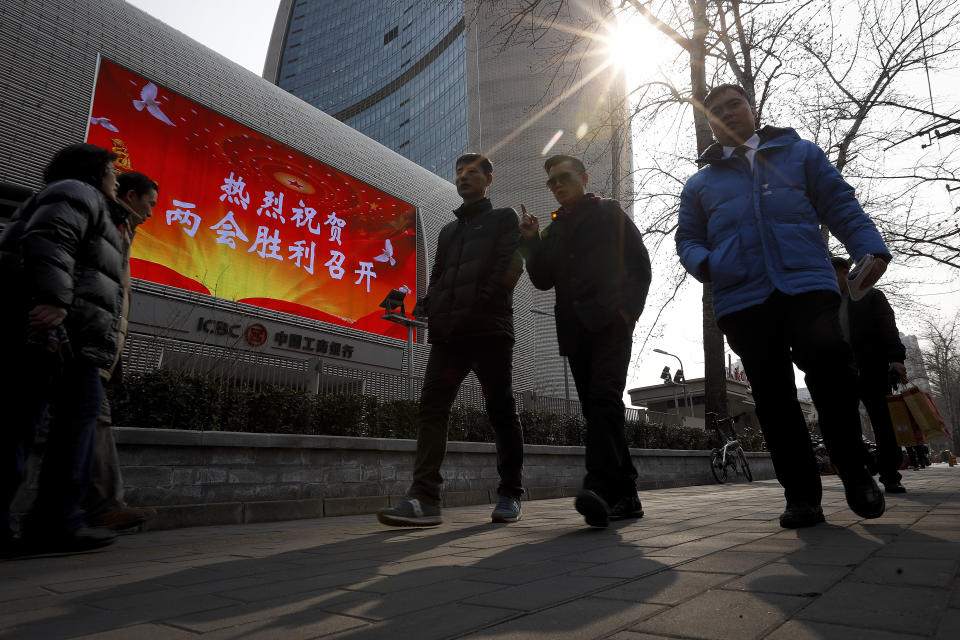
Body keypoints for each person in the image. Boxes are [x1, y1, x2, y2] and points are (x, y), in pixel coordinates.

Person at [676, 84, 891, 529]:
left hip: (806, 283)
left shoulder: (800, 155)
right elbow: (688, 239)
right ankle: (802, 498)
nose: (726, 113)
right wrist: (709, 263)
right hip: (743, 298)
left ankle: (855, 474)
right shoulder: (700, 183)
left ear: (751, 109)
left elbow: (840, 204)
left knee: (831, 369)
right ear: (709, 124)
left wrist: (870, 248)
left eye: (734, 104)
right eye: (715, 111)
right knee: (773, 398)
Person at [377, 153, 525, 526]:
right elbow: (439, 277)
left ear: (488, 179)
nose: (463, 178)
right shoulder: (448, 231)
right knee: (431, 409)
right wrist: (427, 306)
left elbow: (511, 267)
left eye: (472, 172)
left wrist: (480, 302)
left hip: (489, 332)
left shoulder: (503, 218)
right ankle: (424, 498)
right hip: (449, 338)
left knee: (501, 412)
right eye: (459, 173)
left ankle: (510, 494)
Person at [0, 143, 128, 554]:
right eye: (112, 172)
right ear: (94, 173)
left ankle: (55, 520)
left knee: (34, 423)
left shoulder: (84, 199)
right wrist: (54, 299)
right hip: (57, 334)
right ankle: (56, 522)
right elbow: (52, 236)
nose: (116, 180)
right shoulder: (78, 191)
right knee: (60, 422)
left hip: (68, 336)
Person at [518, 154, 652, 528]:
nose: (558, 185)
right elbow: (543, 279)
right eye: (552, 182)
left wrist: (628, 312)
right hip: (575, 330)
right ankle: (628, 495)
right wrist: (530, 241)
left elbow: (640, 263)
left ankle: (599, 489)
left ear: (584, 177)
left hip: (611, 322)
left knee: (603, 398)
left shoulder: (609, 212)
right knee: (598, 411)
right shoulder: (554, 229)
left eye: (564, 177)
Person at [82, 171, 159, 531]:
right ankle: (92, 508)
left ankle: (94, 507)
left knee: (92, 420)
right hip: (81, 344)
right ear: (129, 195)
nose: (152, 212)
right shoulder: (99, 220)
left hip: (96, 345)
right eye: (150, 203)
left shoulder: (122, 230)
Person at [831, 256, 908, 494]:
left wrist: (896, 359)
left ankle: (890, 475)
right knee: (844, 425)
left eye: (833, 273)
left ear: (845, 272)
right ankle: (867, 464)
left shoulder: (871, 296)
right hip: (840, 372)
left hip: (872, 368)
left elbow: (888, 327)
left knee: (883, 423)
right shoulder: (826, 303)